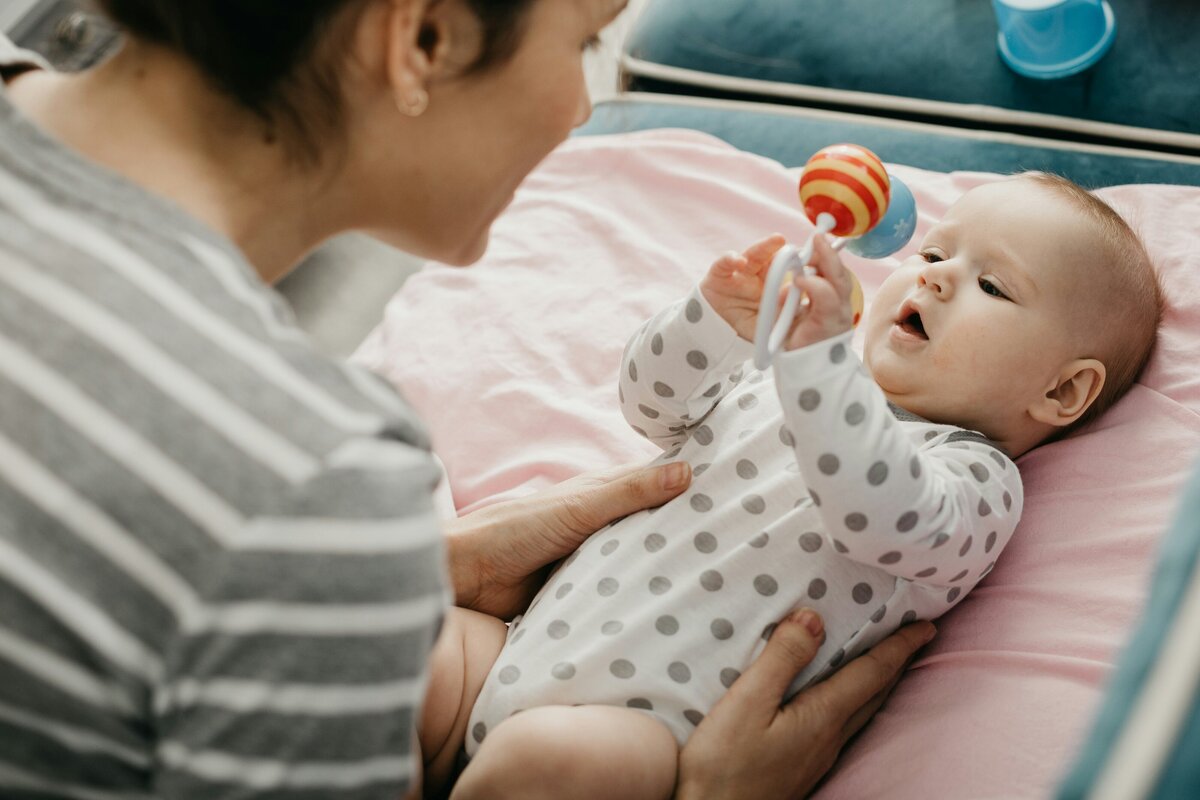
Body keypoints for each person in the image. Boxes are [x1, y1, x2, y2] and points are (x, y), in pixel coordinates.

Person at [0, 1, 937, 798]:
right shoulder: (311, 478)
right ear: (425, 41)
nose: (580, 109)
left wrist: (397, 571)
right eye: (580, 44)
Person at [418, 172, 1164, 799]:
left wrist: (821, 367)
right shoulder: (778, 379)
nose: (935, 273)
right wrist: (712, 323)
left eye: (992, 284)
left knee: (538, 765)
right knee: (398, 643)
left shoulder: (974, 478)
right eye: (935, 249)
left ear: (1063, 394)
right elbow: (653, 409)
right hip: (513, 650)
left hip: (642, 732)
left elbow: (877, 509)